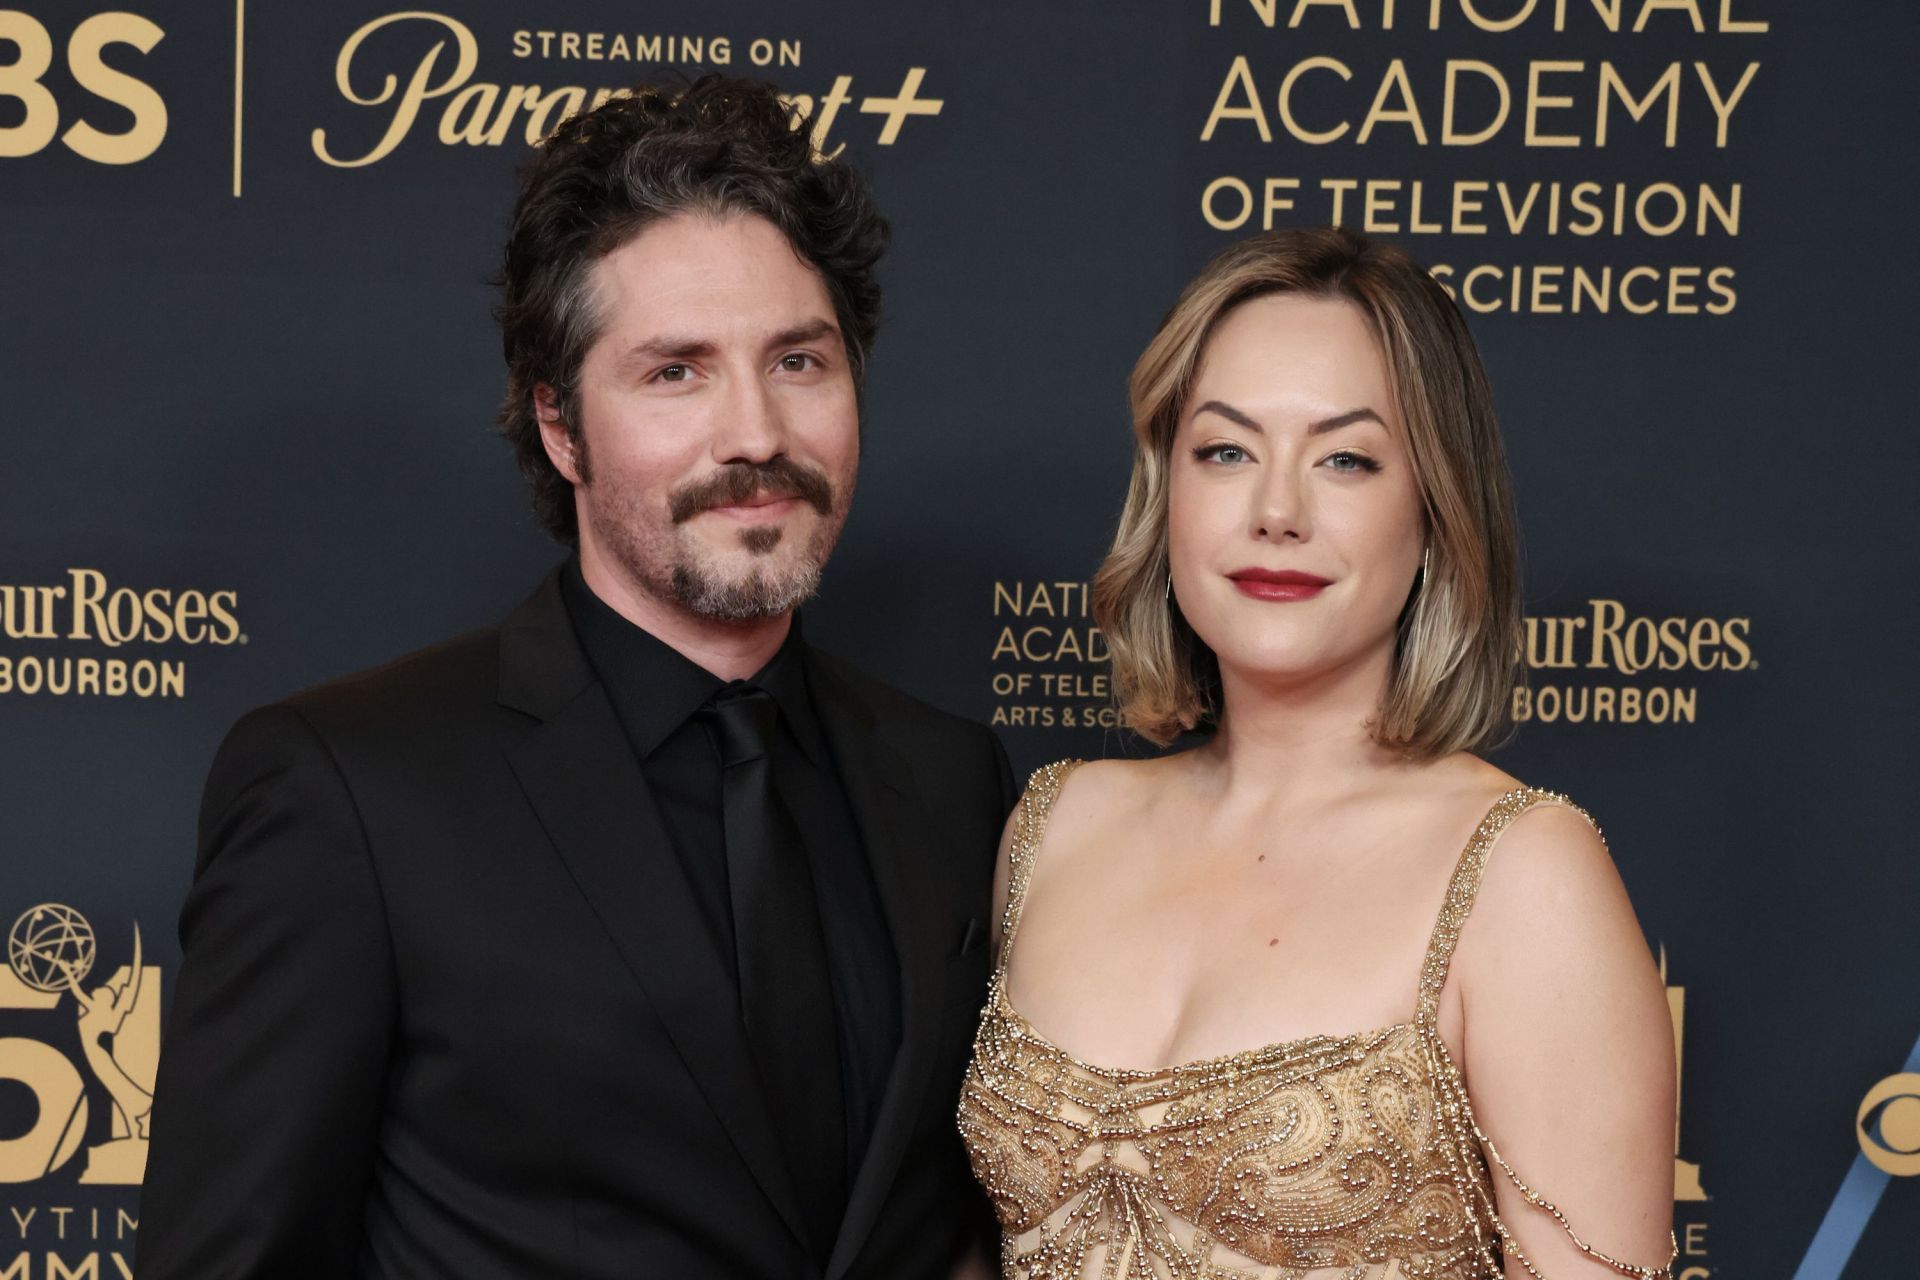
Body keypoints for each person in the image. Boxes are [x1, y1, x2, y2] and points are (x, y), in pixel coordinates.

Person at [139, 76, 1013, 1280]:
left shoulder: (953, 780)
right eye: (676, 372)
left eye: (800, 360)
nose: (755, 432)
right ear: (559, 424)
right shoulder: (349, 790)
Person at [957, 228, 1678, 1279]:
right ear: (1169, 499)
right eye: (1226, 451)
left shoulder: (1524, 871)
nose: (1277, 510)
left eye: (1345, 457)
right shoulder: (1056, 821)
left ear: (1433, 509)